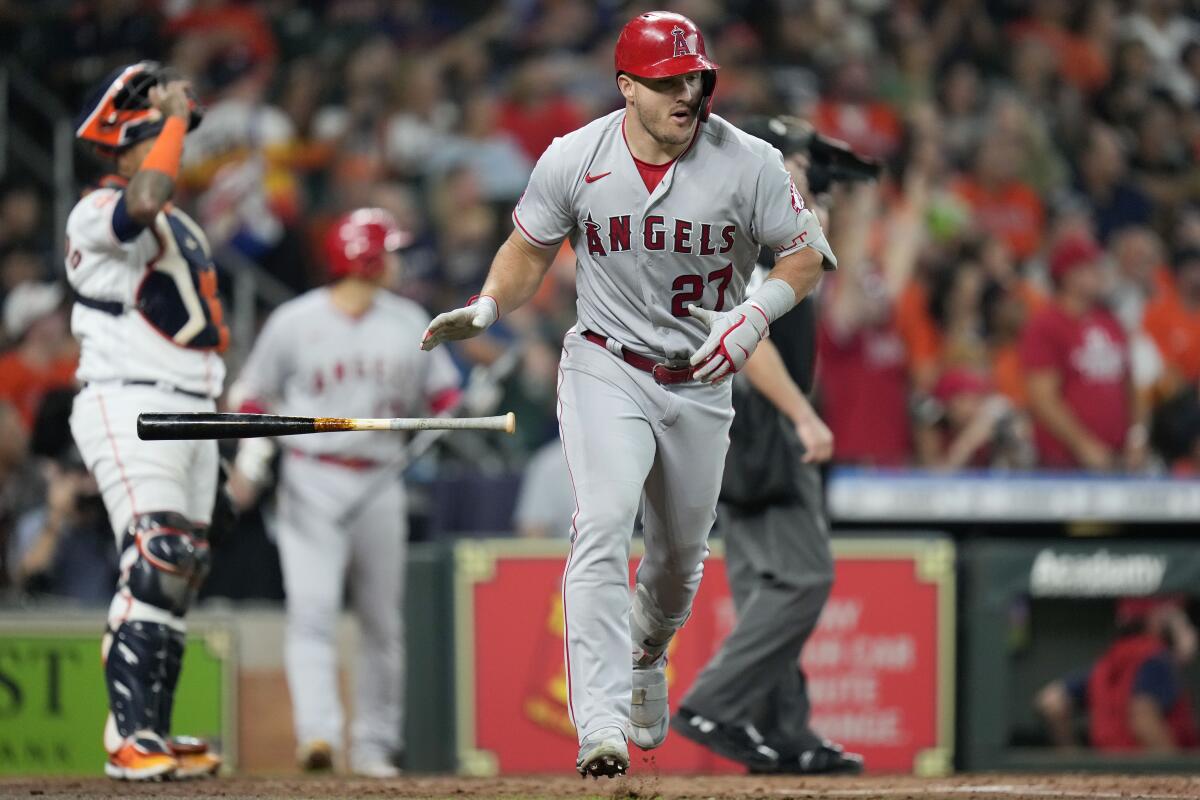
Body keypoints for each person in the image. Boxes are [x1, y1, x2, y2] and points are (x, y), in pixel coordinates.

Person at [420, 11, 835, 778]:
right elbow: (526, 250)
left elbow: (805, 257)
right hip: (607, 365)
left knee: (678, 565)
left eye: (695, 78)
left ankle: (648, 649)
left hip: (703, 381)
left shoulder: (748, 161)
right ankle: (600, 725)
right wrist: (485, 308)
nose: (687, 91)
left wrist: (754, 315)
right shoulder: (574, 157)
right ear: (626, 87)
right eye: (667, 80)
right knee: (603, 523)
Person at [226, 208, 461, 778]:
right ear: (366, 258)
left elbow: (445, 396)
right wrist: (257, 460)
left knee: (383, 622)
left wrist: (449, 419)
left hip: (380, 478)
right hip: (311, 477)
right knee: (312, 613)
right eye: (389, 250)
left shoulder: (409, 320)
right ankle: (319, 737)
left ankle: (376, 746)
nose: (398, 261)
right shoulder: (295, 320)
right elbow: (251, 398)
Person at [671, 117, 862, 774]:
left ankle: (786, 734)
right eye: (796, 165)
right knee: (805, 577)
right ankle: (714, 705)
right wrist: (801, 418)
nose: (803, 177)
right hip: (758, 422)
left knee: (765, 587)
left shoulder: (745, 225)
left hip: (726, 425)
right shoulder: (746, 234)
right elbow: (743, 341)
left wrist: (821, 202)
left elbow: (810, 264)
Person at [67, 61, 226, 780]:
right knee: (157, 553)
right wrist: (169, 125)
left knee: (182, 567)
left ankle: (153, 735)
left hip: (190, 406)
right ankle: (126, 735)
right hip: (131, 400)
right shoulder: (96, 208)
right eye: (159, 134)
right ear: (131, 137)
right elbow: (145, 195)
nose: (174, 144)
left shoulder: (175, 218)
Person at [1020, 234, 1145, 470]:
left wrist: (1136, 437)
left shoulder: (1110, 321)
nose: (1099, 274)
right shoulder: (1046, 324)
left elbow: (1129, 386)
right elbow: (1042, 397)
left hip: (1117, 457)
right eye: (1091, 267)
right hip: (1062, 459)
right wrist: (1083, 444)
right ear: (1069, 274)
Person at [1035, 596, 1199, 752]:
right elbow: (1143, 715)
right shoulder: (1154, 657)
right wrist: (1172, 768)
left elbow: (1051, 702)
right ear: (1154, 620)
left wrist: (1072, 759)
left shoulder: (1108, 660)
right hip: (1149, 773)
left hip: (1109, 773)